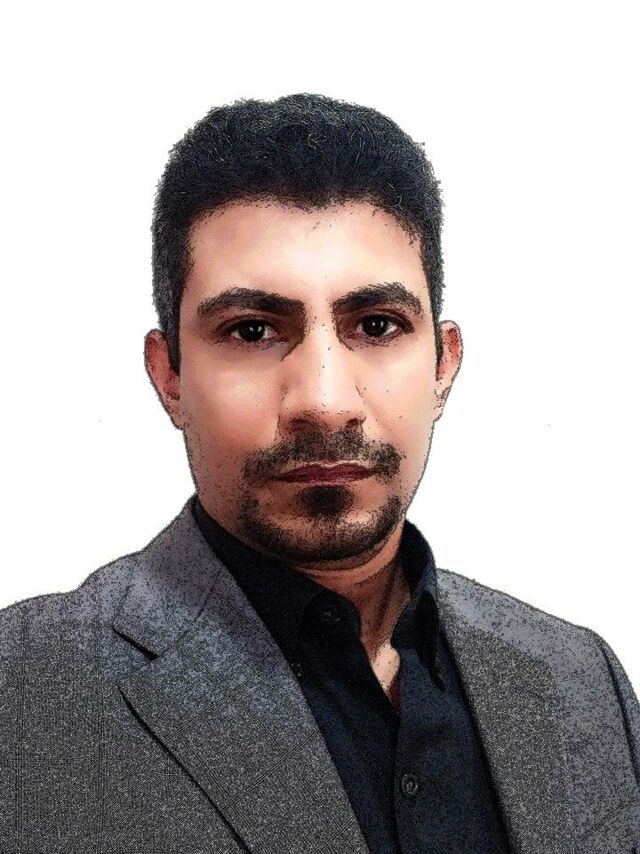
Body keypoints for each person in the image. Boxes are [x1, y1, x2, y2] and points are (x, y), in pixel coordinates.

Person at [1, 94, 638, 854]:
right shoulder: (26, 693)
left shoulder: (579, 681)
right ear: (169, 375)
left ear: (443, 365)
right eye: (253, 330)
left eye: (377, 325)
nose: (325, 401)